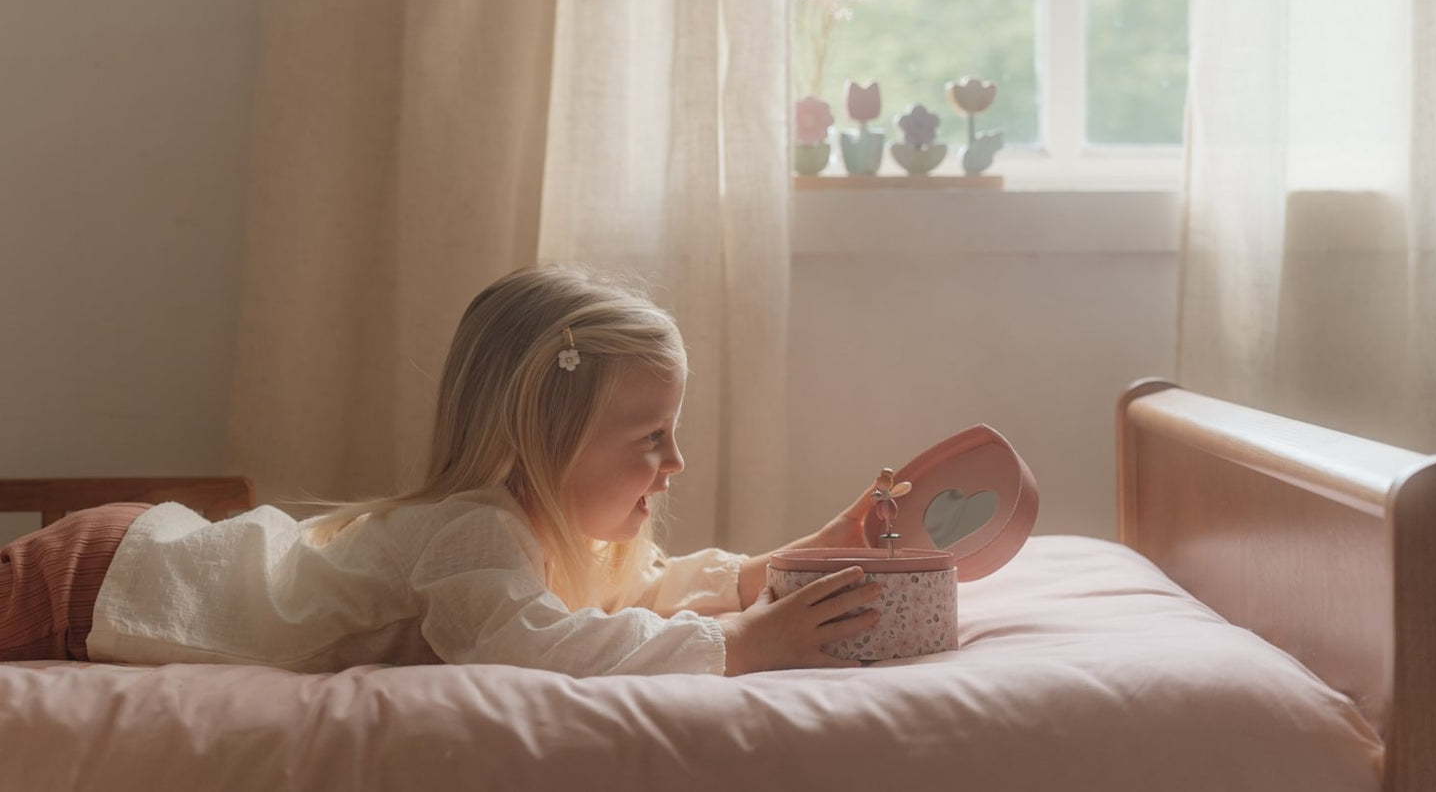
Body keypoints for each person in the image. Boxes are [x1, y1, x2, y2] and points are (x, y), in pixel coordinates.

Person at [0, 265, 885, 676]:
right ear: (543, 436)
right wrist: (738, 643)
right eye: (649, 436)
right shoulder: (474, 532)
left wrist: (779, 567)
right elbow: (534, 647)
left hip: (124, 561)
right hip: (99, 580)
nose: (676, 462)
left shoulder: (548, 536)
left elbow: (639, 594)